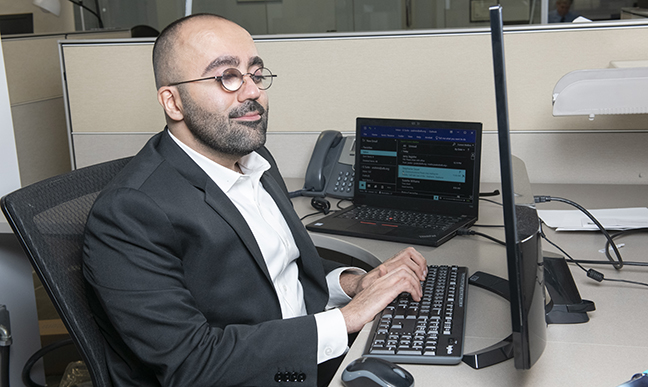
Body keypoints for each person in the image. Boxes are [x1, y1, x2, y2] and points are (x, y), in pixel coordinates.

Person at [82, 13, 428, 387]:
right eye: (227, 76)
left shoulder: (253, 161)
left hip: (300, 358)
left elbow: (273, 272)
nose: (252, 92)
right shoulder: (129, 213)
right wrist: (347, 319)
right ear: (173, 102)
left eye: (256, 73)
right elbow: (192, 364)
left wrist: (349, 285)